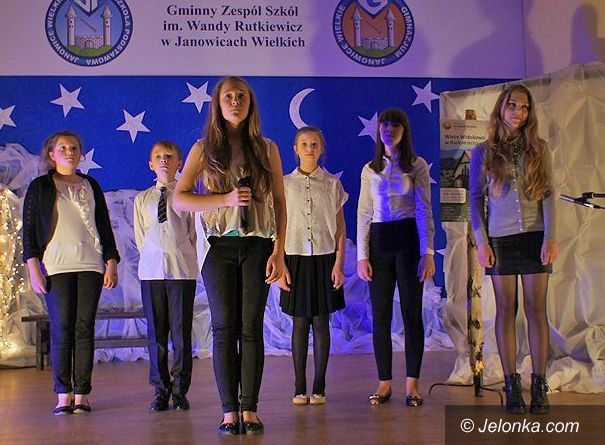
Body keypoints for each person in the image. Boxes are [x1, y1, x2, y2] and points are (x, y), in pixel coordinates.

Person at [173, 76, 288, 435]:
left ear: (250, 103)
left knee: (251, 327)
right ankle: (228, 411)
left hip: (258, 245)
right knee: (224, 327)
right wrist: (224, 199)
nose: (235, 102)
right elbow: (180, 198)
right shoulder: (203, 148)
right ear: (218, 105)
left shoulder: (267, 148)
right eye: (228, 97)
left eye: (241, 96)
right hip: (218, 247)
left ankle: (249, 408)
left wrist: (280, 251)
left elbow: (280, 202)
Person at [469, 84, 557, 414]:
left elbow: (548, 193)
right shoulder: (484, 152)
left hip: (535, 237)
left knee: (536, 310)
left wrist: (551, 237)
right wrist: (482, 242)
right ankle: (511, 384)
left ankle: (539, 384)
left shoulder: (539, 148)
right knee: (507, 310)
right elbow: (475, 200)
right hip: (500, 240)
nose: (518, 112)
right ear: (501, 108)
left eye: (524, 107)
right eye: (512, 105)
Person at [23, 130, 119, 415]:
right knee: (62, 328)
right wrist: (34, 268)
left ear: (80, 153)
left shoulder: (91, 185)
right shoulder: (40, 186)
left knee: (84, 328)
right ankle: (63, 393)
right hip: (56, 266)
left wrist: (111, 261)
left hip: (90, 265)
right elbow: (29, 232)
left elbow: (103, 225)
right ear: (51, 154)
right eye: (63, 148)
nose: (69, 152)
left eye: (74, 148)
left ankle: (82, 394)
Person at [357, 108, 435, 407]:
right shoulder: (369, 169)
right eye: (385, 126)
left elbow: (425, 209)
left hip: (408, 240)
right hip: (379, 241)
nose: (389, 130)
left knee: (412, 313)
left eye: (396, 126)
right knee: (380, 315)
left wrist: (428, 252)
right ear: (379, 130)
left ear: (404, 131)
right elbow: (364, 213)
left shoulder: (417, 165)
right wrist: (363, 256)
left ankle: (412, 384)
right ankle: (384, 383)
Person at [278, 127, 347, 406]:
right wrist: (280, 263)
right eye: (304, 144)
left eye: (314, 144)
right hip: (294, 260)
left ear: (321, 148)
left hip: (324, 259)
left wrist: (339, 264)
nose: (310, 148)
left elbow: (340, 229)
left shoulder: (332, 184)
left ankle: (319, 386)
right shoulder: (284, 185)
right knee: (299, 323)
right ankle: (299, 386)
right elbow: (278, 227)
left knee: (320, 322)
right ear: (295, 148)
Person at [133, 141, 197, 412]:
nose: (163, 160)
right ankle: (160, 390)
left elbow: (193, 233)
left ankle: (180, 390)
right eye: (158, 156)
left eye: (169, 156)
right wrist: (153, 256)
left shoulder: (187, 196)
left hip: (181, 270)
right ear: (151, 164)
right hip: (152, 272)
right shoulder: (142, 199)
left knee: (181, 333)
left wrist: (184, 257)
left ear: (179, 163)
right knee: (156, 334)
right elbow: (140, 236)